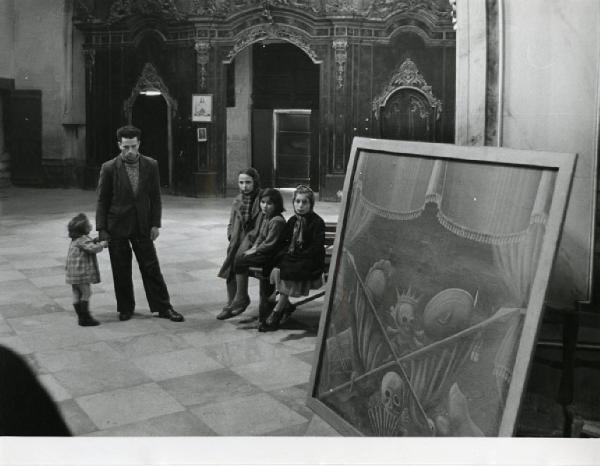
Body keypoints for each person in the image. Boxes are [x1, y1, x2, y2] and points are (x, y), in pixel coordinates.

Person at [96, 125, 184, 322]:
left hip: (142, 225)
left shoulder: (151, 165)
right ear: (119, 145)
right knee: (121, 268)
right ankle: (125, 308)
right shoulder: (109, 168)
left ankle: (163, 307)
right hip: (116, 225)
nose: (129, 151)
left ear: (139, 144)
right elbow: (102, 200)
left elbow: (156, 197)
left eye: (133, 146)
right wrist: (102, 229)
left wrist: (155, 224)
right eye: (125, 147)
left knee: (151, 267)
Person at [266, 185, 326, 331]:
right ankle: (284, 304)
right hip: (293, 257)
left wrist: (296, 255)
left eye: (304, 202)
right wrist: (283, 256)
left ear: (311, 204)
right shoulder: (292, 221)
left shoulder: (317, 222)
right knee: (277, 265)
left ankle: (278, 309)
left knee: (290, 268)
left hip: (310, 259)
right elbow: (283, 243)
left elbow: (316, 248)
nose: (300, 206)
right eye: (297, 201)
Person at [228, 188, 286, 322]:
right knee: (239, 258)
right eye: (263, 202)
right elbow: (261, 236)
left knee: (240, 262)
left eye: (269, 204)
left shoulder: (277, 220)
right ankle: (240, 296)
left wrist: (255, 250)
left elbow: (270, 244)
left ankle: (241, 297)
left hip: (273, 256)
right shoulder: (267, 217)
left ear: (277, 205)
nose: (265, 206)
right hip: (265, 252)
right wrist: (253, 247)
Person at [217, 168, 262, 320]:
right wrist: (230, 234)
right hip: (237, 239)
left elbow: (262, 224)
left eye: (248, 182)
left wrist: (252, 241)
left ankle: (241, 299)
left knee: (238, 262)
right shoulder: (237, 199)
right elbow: (231, 221)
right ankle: (231, 302)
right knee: (230, 267)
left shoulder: (261, 199)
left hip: (253, 240)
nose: (244, 186)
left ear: (255, 182)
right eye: (241, 183)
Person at [65, 213, 107, 326]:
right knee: (86, 293)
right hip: (81, 273)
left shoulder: (76, 239)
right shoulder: (82, 239)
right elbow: (92, 248)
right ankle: (85, 317)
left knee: (76, 294)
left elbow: (88, 243)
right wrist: (102, 244)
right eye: (88, 224)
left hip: (73, 273)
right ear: (83, 228)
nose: (90, 225)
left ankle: (81, 317)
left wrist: (96, 240)